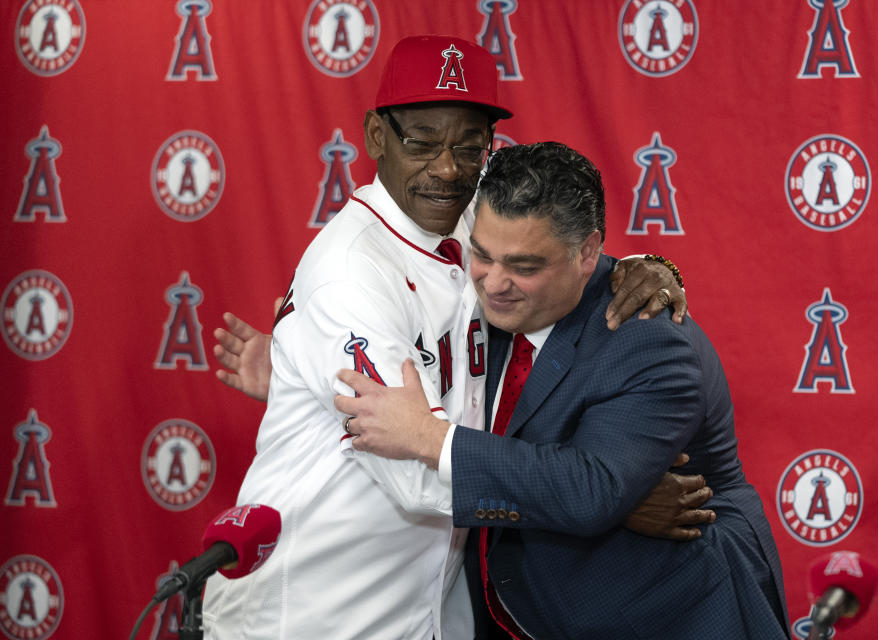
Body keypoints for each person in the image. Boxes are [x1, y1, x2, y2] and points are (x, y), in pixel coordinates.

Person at [202, 36, 708, 640]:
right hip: (315, 610)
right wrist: (603, 503)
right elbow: (413, 470)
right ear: (375, 137)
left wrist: (645, 266)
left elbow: (552, 256)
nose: (447, 169)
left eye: (470, 149)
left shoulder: (463, 221)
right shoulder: (351, 274)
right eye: (422, 142)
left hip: (426, 605)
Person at [336, 142, 790, 639]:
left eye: (525, 267)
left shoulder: (650, 338)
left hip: (672, 613)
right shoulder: (485, 306)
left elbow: (592, 489)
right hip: (524, 611)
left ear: (588, 252)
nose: (494, 283)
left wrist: (429, 438)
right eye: (482, 255)